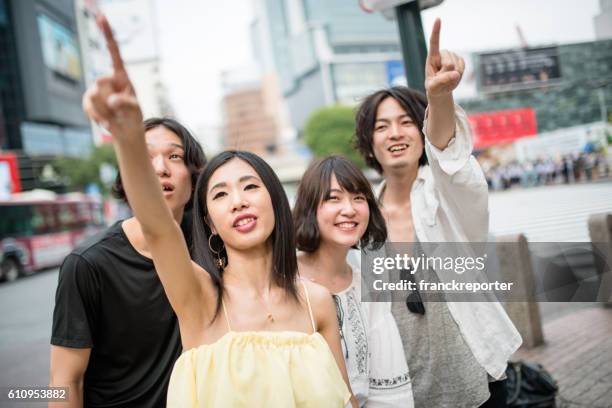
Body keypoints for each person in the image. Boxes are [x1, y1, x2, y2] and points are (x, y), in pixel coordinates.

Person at [81, 14, 357, 408]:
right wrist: (126, 136)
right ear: (208, 220)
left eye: (249, 187)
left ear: (275, 202)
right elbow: (159, 227)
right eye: (221, 194)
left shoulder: (316, 301)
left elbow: (346, 400)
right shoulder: (199, 297)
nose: (239, 201)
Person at [353, 19, 522, 408]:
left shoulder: (442, 194)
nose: (395, 133)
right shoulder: (359, 216)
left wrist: (439, 98)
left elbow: (450, 156)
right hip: (398, 387)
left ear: (422, 131)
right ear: (369, 142)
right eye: (382, 126)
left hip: (470, 378)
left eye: (406, 122)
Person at [49, 116, 207, 407]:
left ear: (194, 175)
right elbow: (64, 381)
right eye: (145, 158)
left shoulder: (212, 244)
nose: (160, 169)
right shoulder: (87, 264)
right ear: (128, 176)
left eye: (174, 156)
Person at [293, 155, 414, 407]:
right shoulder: (285, 279)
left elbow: (387, 388)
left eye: (358, 198)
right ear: (309, 207)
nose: (349, 209)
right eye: (333, 198)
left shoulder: (367, 281)